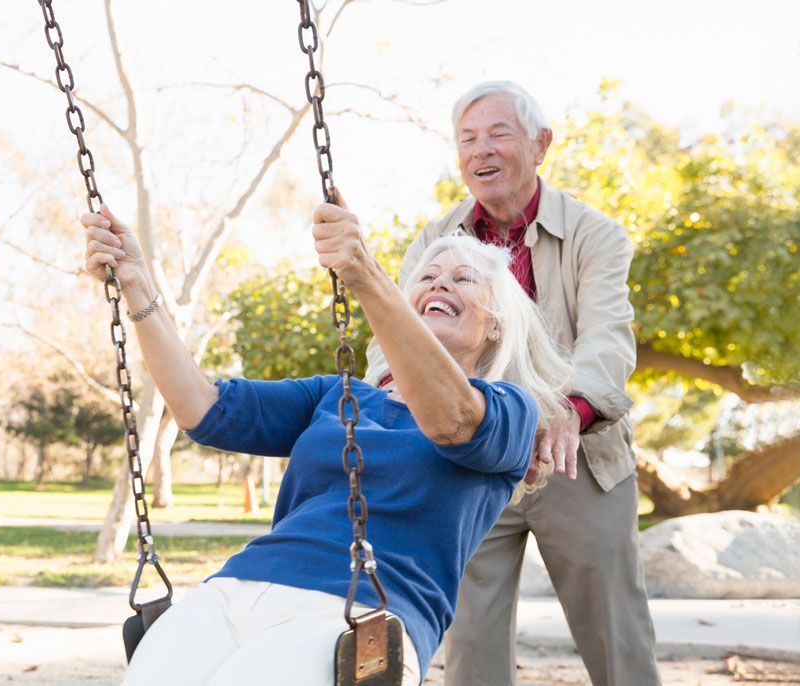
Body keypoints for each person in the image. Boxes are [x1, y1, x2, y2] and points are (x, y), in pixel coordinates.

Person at [79, 193, 571, 686]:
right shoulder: (336, 395)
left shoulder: (511, 409)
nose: (439, 280)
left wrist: (365, 275)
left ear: (497, 325)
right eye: (426, 276)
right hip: (234, 590)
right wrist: (137, 285)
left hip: (356, 618)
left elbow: (452, 422)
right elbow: (202, 408)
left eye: (462, 278)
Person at [363, 80, 661, 686]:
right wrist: (399, 397)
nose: (482, 150)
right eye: (468, 138)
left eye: (499, 133)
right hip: (471, 454)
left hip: (575, 452)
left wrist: (568, 413)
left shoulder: (595, 234)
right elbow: (395, 333)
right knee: (469, 637)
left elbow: (607, 337)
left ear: (540, 144)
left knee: (616, 635)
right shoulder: (436, 240)